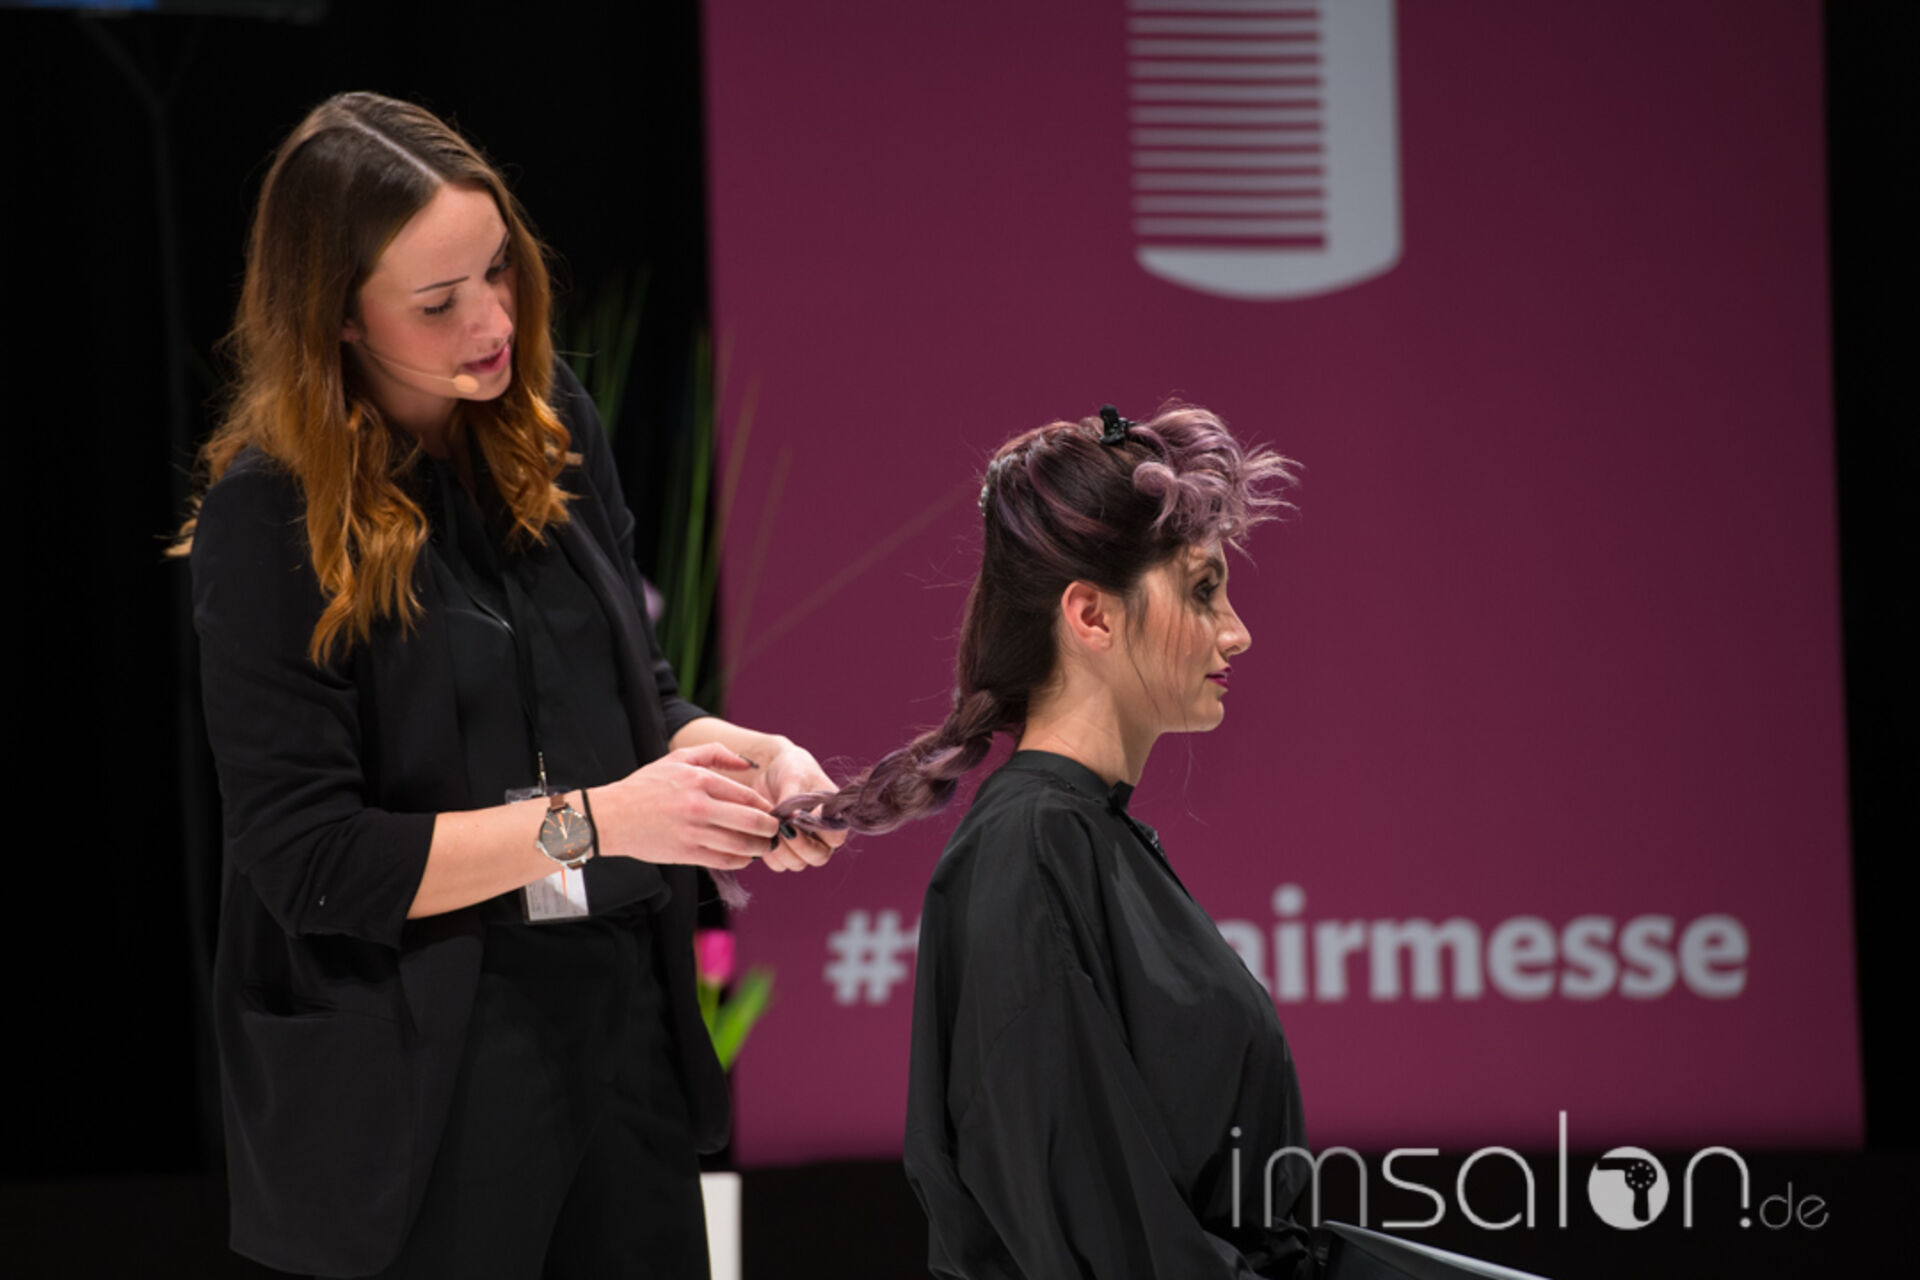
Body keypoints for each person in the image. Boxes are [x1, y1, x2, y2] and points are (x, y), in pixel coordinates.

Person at [177, 91, 841, 1279]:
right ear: (338, 316)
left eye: (500, 271)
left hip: (617, 1022)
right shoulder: (270, 513)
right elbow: (311, 861)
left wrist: (738, 753)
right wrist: (600, 820)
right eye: (438, 302)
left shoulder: (547, 423)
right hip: (423, 1067)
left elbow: (633, 696)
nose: (491, 321)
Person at [780, 404, 1317, 1278]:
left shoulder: (1080, 839)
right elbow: (1095, 1235)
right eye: (1202, 589)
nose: (1236, 631)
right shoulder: (1032, 851)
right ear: (1091, 616)